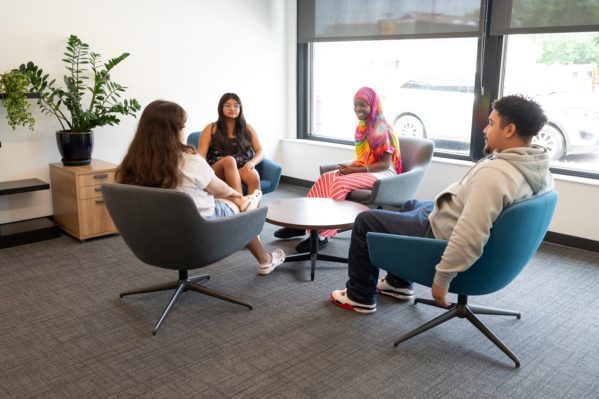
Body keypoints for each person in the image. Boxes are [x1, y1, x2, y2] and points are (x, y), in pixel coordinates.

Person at [330, 94, 554, 313]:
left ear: (509, 130)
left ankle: (359, 296)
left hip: (439, 234)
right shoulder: (538, 168)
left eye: (491, 123)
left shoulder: (496, 174)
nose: (485, 130)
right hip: (450, 219)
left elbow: (471, 232)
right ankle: (398, 284)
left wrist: (442, 279)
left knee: (365, 220)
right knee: (410, 204)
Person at [116, 100, 285, 275]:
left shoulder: (131, 164)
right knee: (240, 207)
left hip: (155, 234)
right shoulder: (188, 159)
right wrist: (236, 195)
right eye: (183, 126)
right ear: (173, 130)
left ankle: (245, 204)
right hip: (199, 229)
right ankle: (264, 258)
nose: (184, 130)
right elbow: (220, 190)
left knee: (221, 183)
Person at [274, 87, 402, 253]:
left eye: (363, 105)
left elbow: (384, 165)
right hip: (369, 168)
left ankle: (322, 235)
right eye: (355, 105)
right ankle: (303, 224)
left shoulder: (381, 129)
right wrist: (352, 167)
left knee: (340, 183)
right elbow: (364, 158)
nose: (358, 109)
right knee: (326, 177)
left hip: (384, 173)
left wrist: (353, 171)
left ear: (373, 105)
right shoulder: (363, 127)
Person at [197, 93, 264, 196]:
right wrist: (204, 173)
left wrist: (252, 162)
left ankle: (253, 209)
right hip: (217, 171)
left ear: (240, 108)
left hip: (241, 168)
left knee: (253, 175)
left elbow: (260, 150)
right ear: (221, 107)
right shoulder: (211, 128)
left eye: (236, 105)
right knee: (229, 160)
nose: (232, 108)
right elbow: (201, 154)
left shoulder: (248, 129)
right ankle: (239, 202)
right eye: (227, 105)